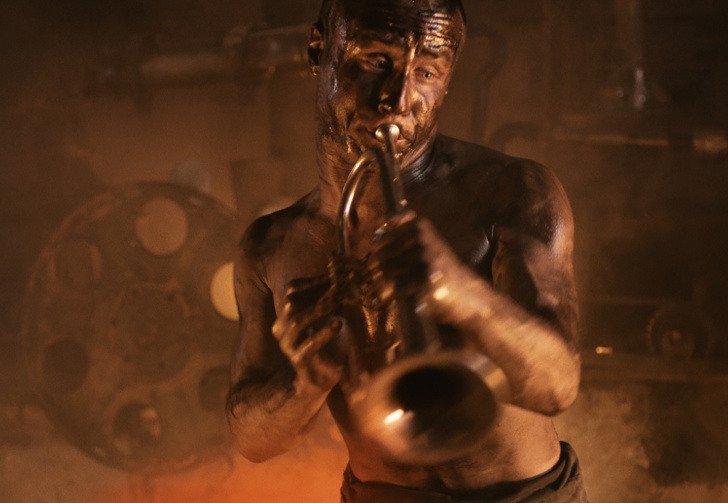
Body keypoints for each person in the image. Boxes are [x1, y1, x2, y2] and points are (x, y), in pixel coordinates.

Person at [226, 0, 587, 501]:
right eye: (377, 61)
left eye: (427, 72)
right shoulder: (270, 244)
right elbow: (252, 441)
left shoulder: (516, 191)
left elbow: (558, 386)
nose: (397, 99)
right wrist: (305, 383)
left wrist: (461, 293)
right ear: (318, 49)